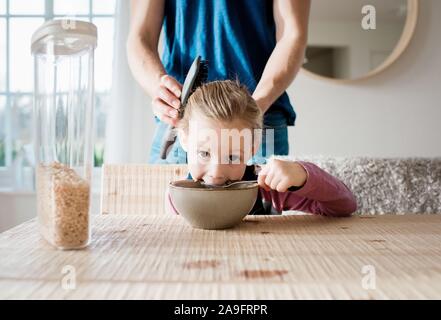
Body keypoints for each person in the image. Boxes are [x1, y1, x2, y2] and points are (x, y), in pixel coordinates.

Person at [127, 0, 311, 164]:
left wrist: (255, 108)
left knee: (262, 202)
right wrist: (158, 87)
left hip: (260, 115)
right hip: (183, 118)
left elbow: (292, 34)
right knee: (163, 200)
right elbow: (140, 37)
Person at [167, 80, 357, 216]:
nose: (216, 174)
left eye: (232, 157)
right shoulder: (176, 199)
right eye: (204, 153)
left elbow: (344, 205)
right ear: (184, 139)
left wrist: (303, 174)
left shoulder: (268, 190)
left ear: (253, 147)